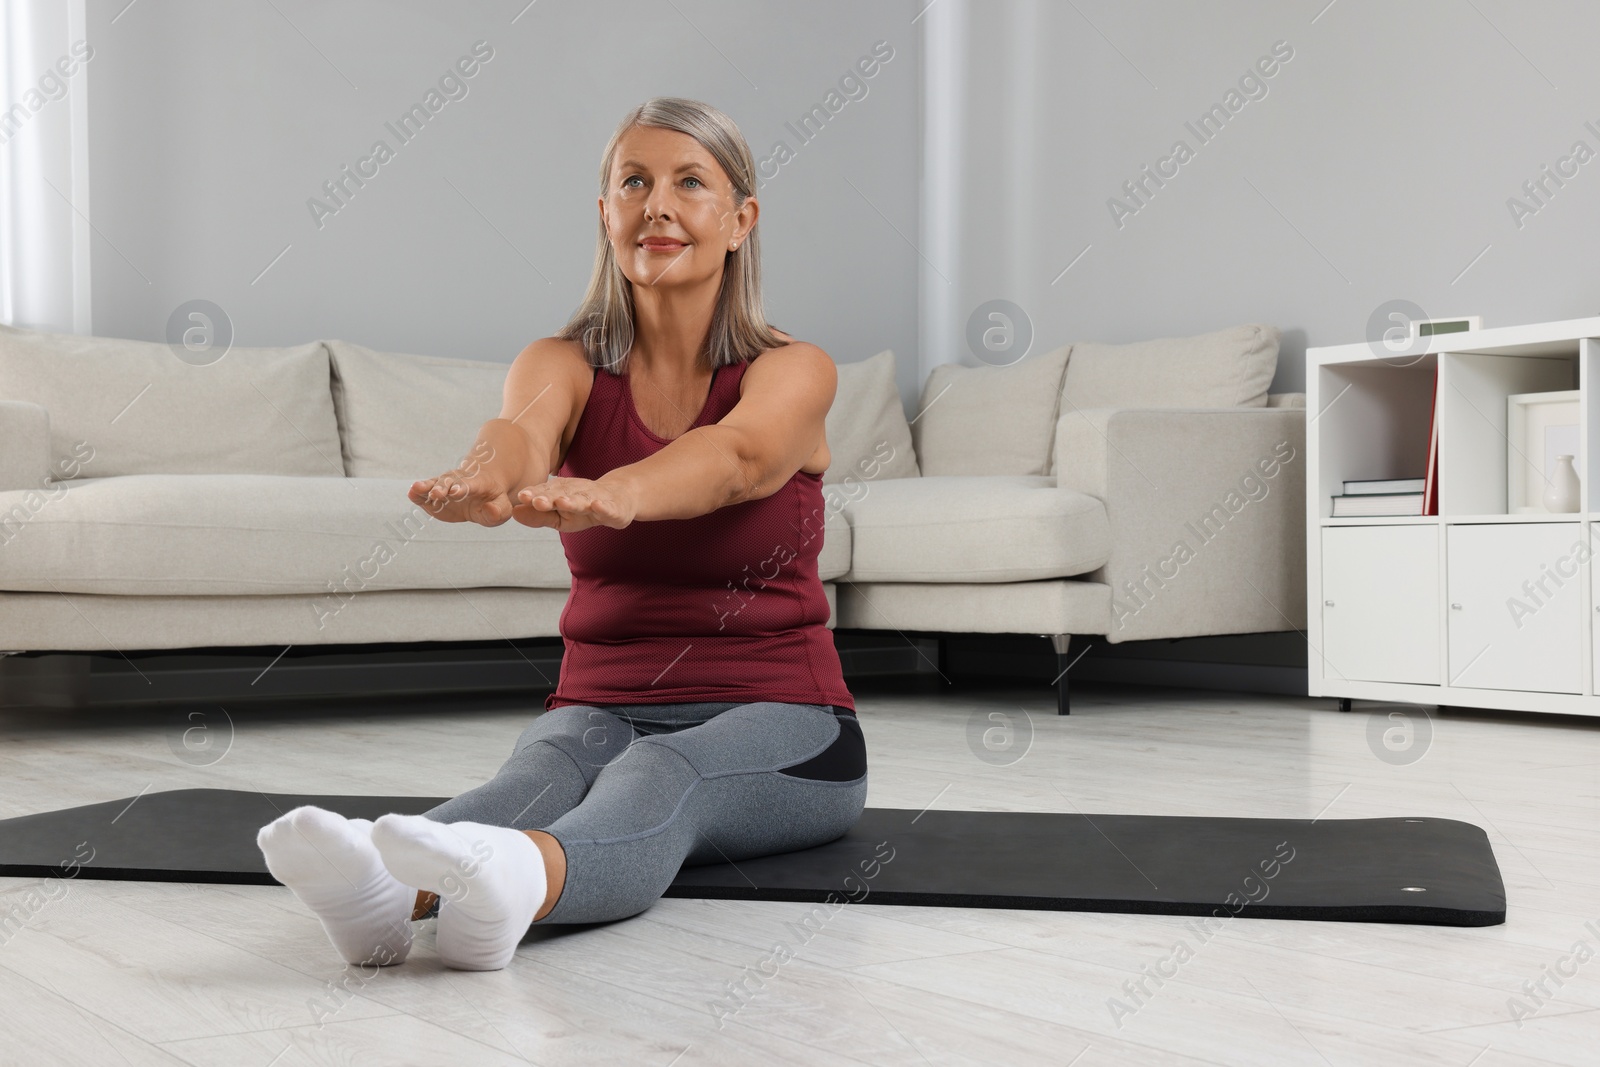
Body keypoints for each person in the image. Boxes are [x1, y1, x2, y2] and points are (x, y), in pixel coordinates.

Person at [256, 97, 867, 972]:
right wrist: (486, 478)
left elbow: (738, 457)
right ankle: (381, 891)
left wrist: (619, 493)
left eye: (689, 182)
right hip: (601, 704)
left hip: (786, 719)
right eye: (633, 182)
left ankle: (515, 884)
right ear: (605, 214)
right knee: (531, 779)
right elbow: (520, 434)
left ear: (740, 220)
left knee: (661, 777)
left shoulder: (790, 369)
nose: (655, 204)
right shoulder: (564, 363)